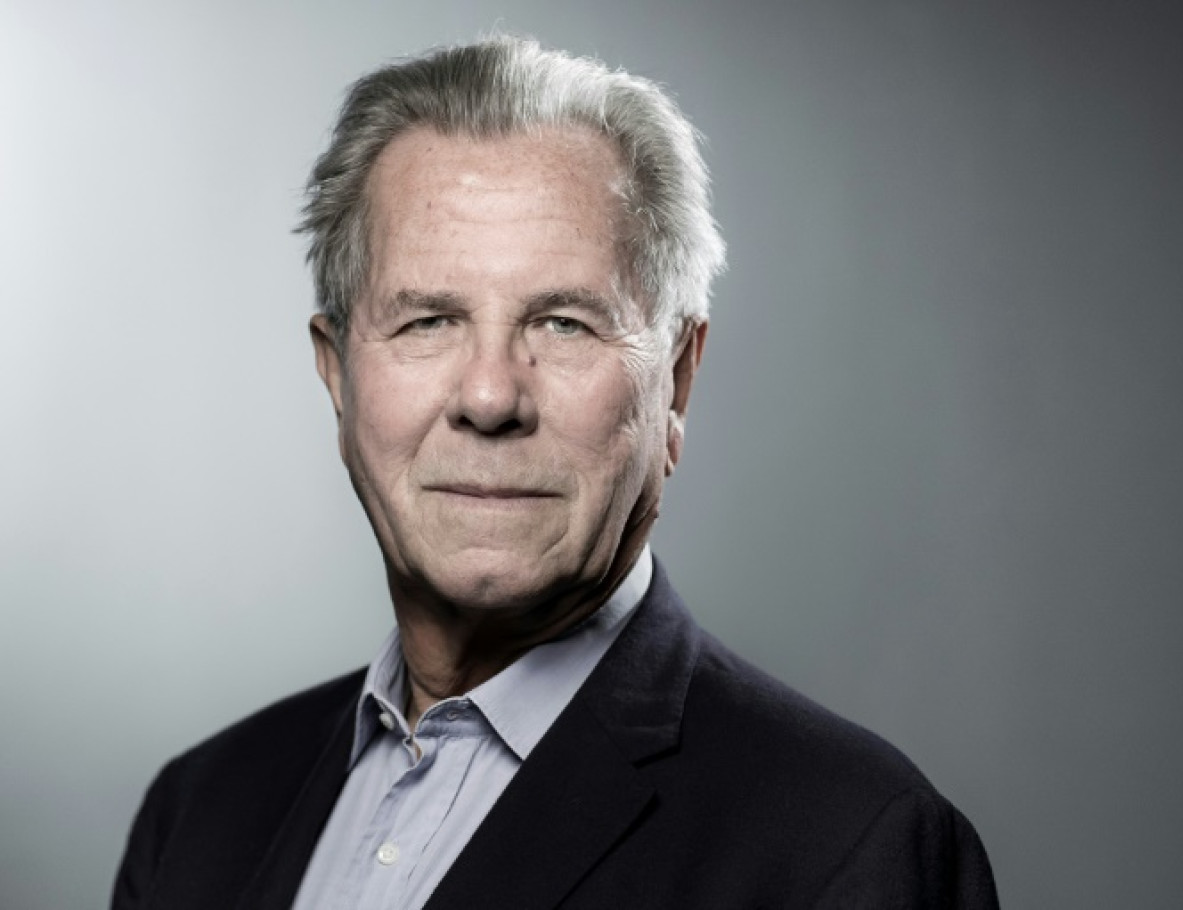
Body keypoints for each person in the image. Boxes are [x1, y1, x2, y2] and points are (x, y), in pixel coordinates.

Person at [111, 36, 998, 910]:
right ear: (338, 374)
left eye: (564, 323)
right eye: (427, 322)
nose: (491, 396)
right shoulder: (198, 814)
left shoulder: (851, 851)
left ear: (676, 380)